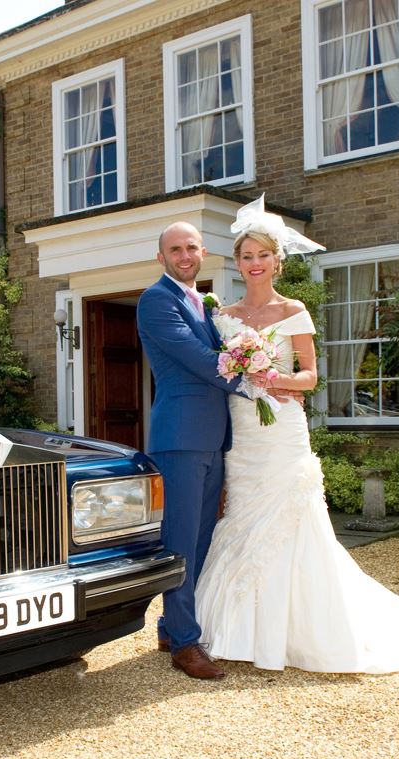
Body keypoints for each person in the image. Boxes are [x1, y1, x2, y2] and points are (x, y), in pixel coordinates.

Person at [195, 195, 399, 673]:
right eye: (246, 256)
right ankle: (236, 626)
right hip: (244, 433)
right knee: (244, 512)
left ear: (277, 261)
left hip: (282, 429)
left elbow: (311, 376)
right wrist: (242, 372)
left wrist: (275, 379)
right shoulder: (222, 316)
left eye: (262, 256)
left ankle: (298, 629)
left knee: (291, 515)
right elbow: (217, 373)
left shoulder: (294, 311)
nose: (254, 264)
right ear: (237, 262)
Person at [136, 221, 243, 679]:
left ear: (203, 252)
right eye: (175, 249)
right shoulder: (156, 300)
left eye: (192, 248)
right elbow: (198, 360)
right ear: (161, 257)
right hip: (179, 437)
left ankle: (170, 626)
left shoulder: (204, 302)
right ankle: (184, 644)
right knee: (180, 541)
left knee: (200, 539)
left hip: (213, 437)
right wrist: (252, 374)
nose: (184, 256)